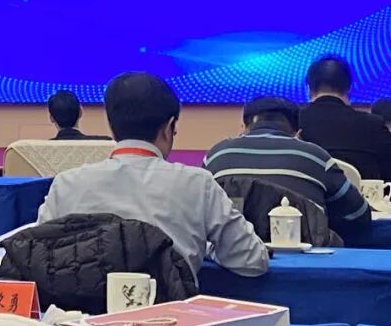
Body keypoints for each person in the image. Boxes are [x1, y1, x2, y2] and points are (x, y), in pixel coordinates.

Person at [37, 72, 268, 276]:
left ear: (111, 124)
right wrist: (205, 248)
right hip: (170, 311)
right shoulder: (198, 184)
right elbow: (252, 260)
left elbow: (37, 254)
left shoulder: (66, 184)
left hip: (80, 311)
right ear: (169, 127)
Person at [203, 97, 370, 236]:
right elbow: (359, 215)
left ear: (244, 128)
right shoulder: (316, 157)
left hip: (229, 258)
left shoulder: (216, 155)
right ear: (298, 133)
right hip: (305, 260)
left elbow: (197, 209)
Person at [298, 57, 391, 197]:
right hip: (362, 208)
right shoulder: (372, 124)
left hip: (305, 207)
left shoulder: (295, 121)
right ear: (349, 89)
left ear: (309, 89)